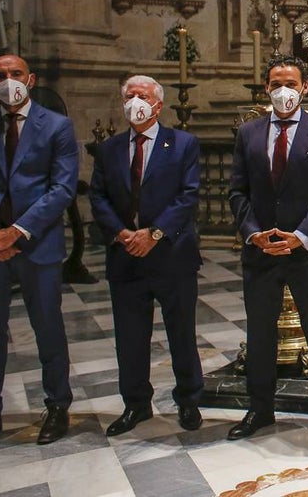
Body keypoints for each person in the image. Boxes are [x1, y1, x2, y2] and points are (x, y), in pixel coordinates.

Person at [0, 54, 79, 449]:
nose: (9, 81)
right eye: (0, 76)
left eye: (16, 74)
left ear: (31, 78)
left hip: (36, 244)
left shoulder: (57, 126)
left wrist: (17, 232)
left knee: (48, 327)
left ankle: (57, 405)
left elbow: (61, 188)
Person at [228, 57, 308, 446]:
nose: (283, 90)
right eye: (276, 82)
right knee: (260, 333)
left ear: (305, 87)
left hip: (305, 251)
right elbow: (237, 191)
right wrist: (252, 233)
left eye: (290, 82)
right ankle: (260, 409)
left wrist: (303, 234)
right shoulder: (248, 133)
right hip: (261, 250)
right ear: (265, 89)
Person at [89, 75, 204, 436]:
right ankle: (136, 404)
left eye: (142, 95)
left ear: (158, 104)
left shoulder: (182, 144)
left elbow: (188, 195)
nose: (135, 101)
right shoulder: (109, 149)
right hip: (126, 255)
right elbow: (98, 197)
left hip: (171, 254)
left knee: (181, 333)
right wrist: (122, 234)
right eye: (129, 95)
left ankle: (189, 400)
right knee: (130, 335)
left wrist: (154, 234)